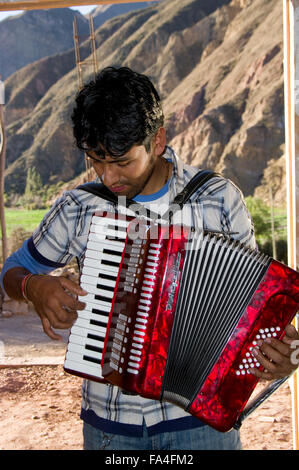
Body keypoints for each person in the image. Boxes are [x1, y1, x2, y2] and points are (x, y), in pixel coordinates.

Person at [1, 66, 298, 450]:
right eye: (96, 160)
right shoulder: (79, 207)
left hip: (200, 422)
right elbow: (11, 271)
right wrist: (34, 286)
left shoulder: (219, 199)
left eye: (122, 162)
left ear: (157, 141)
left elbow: (253, 310)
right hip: (110, 425)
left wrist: (282, 354)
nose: (108, 177)